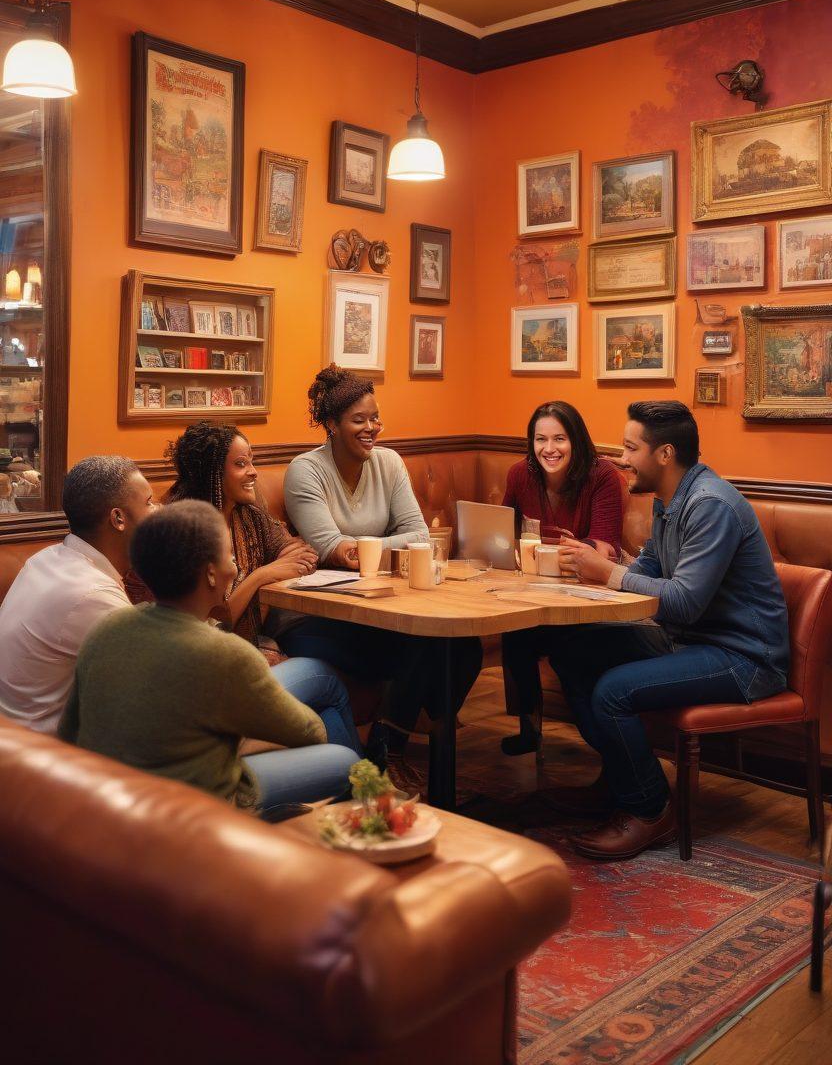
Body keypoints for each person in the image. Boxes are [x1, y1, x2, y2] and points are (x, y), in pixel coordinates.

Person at [532, 400, 789, 861]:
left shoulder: (711, 505)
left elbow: (685, 602)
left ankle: (649, 810)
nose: (622, 458)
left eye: (631, 448)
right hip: (688, 641)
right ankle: (619, 781)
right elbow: (650, 567)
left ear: (665, 454)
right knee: (572, 648)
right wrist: (599, 564)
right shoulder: (669, 499)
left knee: (613, 691)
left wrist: (608, 574)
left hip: (744, 658)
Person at [59, 501, 360, 816]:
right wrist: (240, 738)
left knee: (319, 676)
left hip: (112, 802)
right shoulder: (225, 654)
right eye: (230, 555)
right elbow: (312, 732)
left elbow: (69, 733)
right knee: (346, 761)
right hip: (191, 810)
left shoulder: (105, 629)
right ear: (212, 574)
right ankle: (355, 820)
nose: (235, 565)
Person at [283, 364, 482, 790]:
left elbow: (419, 535)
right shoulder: (306, 471)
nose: (372, 428)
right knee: (425, 643)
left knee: (464, 646)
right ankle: (387, 751)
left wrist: (364, 548)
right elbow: (333, 548)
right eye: (359, 420)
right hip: (324, 616)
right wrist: (379, 545)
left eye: (375, 418)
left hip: (382, 603)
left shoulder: (388, 462)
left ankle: (393, 745)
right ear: (332, 424)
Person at [164, 421, 361, 755]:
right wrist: (262, 575)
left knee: (326, 700)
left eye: (252, 461)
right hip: (211, 671)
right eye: (241, 464)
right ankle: (358, 776)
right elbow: (214, 620)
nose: (253, 472)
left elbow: (300, 551)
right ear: (213, 473)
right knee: (324, 678)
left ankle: (356, 778)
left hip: (248, 651)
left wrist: (279, 564)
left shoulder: (248, 516)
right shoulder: (184, 529)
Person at [500, 401, 624, 755]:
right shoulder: (520, 474)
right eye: (540, 439)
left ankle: (609, 750)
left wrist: (563, 552)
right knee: (514, 630)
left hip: (586, 595)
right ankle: (529, 727)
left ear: (576, 440)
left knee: (565, 648)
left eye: (559, 439)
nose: (549, 449)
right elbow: (503, 529)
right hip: (534, 588)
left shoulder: (602, 475)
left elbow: (606, 547)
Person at [0, 456, 156, 732]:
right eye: (149, 502)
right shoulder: (94, 595)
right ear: (118, 518)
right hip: (44, 749)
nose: (158, 511)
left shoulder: (46, 559)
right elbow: (157, 685)